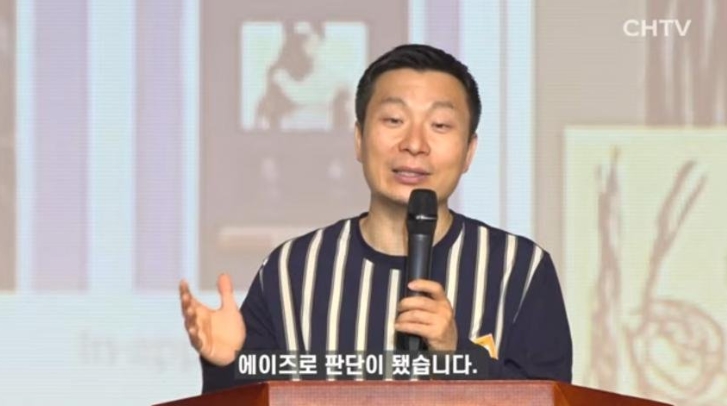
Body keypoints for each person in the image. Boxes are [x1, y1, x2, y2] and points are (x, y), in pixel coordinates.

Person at [180, 43, 572, 394]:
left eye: (439, 125)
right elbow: (248, 400)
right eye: (394, 120)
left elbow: (551, 399)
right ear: (358, 139)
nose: (414, 144)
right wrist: (226, 364)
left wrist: (458, 357)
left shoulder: (518, 270)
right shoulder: (291, 270)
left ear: (469, 151)